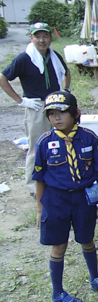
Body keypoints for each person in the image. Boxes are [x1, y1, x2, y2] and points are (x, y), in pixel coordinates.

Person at [33, 91, 98, 302]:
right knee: (59, 246)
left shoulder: (88, 138)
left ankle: (95, 278)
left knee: (87, 240)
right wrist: (40, 207)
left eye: (62, 112)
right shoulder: (44, 142)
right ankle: (58, 292)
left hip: (83, 199)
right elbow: (39, 179)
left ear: (75, 113)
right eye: (51, 114)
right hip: (56, 201)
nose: (56, 118)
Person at [0, 22, 71, 194]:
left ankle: (56, 179)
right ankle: (34, 186)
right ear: (31, 38)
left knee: (60, 143)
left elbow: (66, 72)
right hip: (36, 106)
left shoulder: (54, 56)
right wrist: (21, 101)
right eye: (37, 36)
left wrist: (65, 91)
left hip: (56, 105)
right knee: (37, 147)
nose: (41, 40)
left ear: (50, 38)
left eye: (45, 36)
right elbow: (3, 78)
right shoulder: (24, 58)